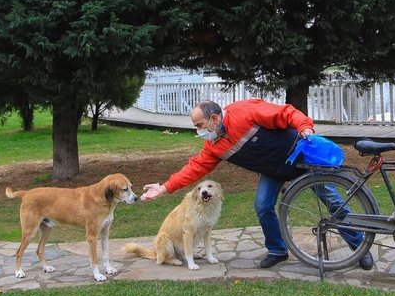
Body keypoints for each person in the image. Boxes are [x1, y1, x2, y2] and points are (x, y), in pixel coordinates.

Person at [140, 98, 374, 270]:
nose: (198, 131)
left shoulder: (246, 111)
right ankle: (277, 250)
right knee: (262, 206)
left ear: (214, 119)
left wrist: (304, 127)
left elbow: (286, 113)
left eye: (199, 125)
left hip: (300, 157)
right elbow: (194, 168)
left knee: (331, 200)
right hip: (272, 170)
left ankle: (358, 248)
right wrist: (163, 187)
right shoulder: (214, 146)